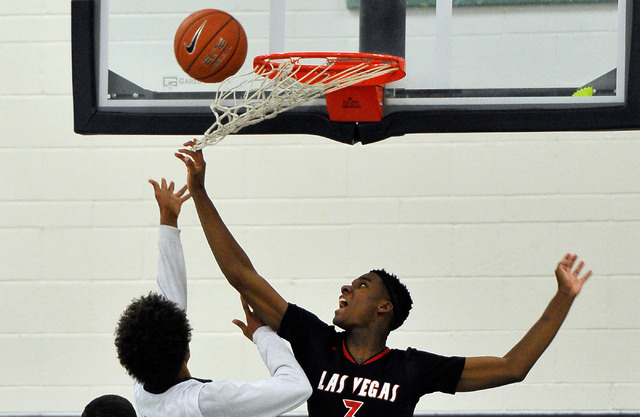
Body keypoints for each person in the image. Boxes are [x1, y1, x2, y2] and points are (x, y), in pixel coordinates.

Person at [175, 142, 593, 417]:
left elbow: (512, 367)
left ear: (384, 307)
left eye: (360, 285)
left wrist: (563, 298)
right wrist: (201, 194)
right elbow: (242, 276)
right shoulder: (316, 342)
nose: (345, 288)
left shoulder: (411, 368)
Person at [114, 178, 311, 417]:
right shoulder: (206, 402)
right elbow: (296, 387)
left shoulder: (142, 393)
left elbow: (170, 300)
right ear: (186, 350)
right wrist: (264, 335)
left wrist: (168, 221)